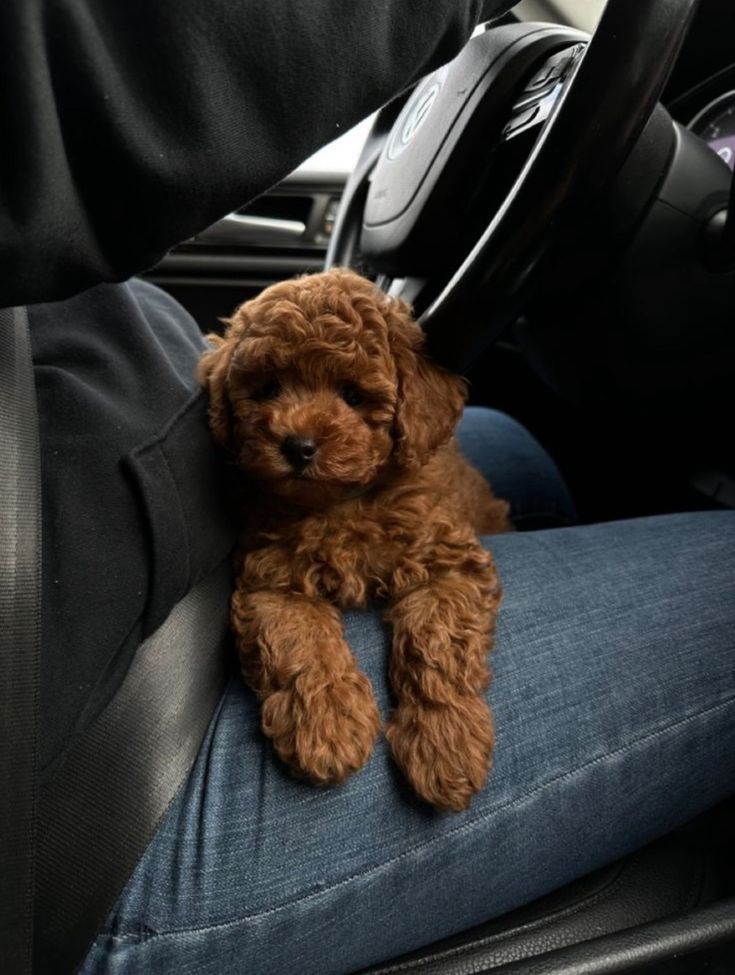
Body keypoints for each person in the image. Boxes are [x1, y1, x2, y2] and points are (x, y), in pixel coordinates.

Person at [1, 1, 733, 972]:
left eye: (351, 396)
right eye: (270, 390)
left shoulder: (400, 427)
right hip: (96, 769)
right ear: (231, 395)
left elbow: (447, 555)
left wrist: (440, 688)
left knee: (510, 449)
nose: (303, 427)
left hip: (130, 521)